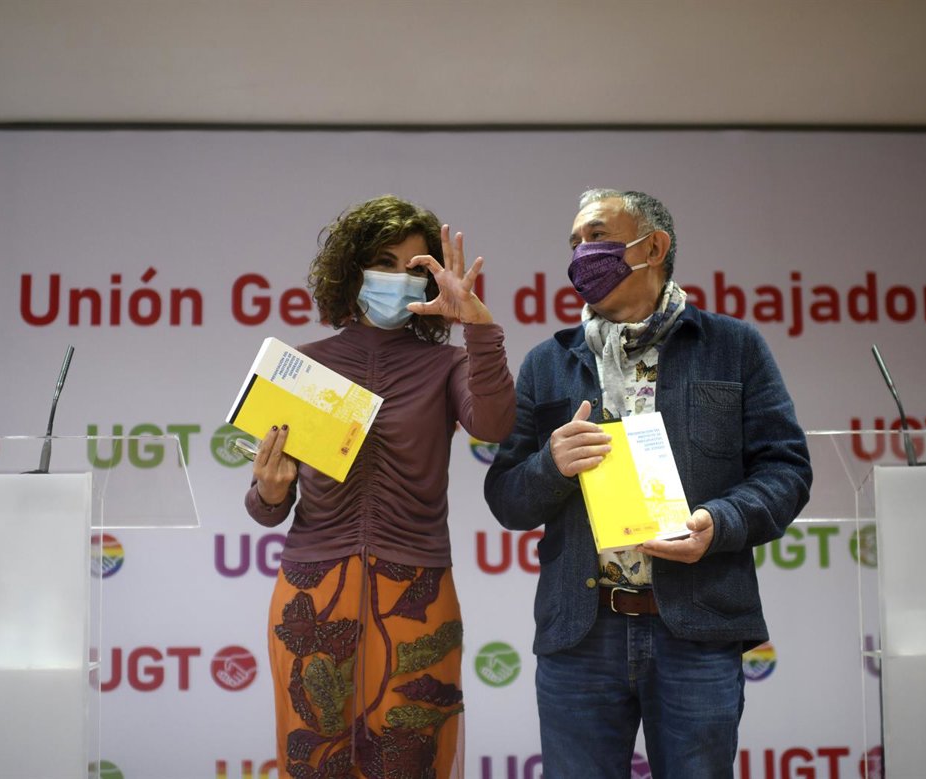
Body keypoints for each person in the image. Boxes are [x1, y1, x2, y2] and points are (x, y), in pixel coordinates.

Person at [483, 189, 811, 778]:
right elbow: (507, 497)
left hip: (696, 625)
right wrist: (549, 466)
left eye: (597, 237)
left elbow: (786, 469)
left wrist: (719, 523)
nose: (581, 254)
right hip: (582, 633)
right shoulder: (547, 363)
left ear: (653, 247)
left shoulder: (733, 348)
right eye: (574, 243)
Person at [245, 195, 516, 779]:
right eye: (384, 262)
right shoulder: (302, 366)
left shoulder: (446, 365)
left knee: (409, 756)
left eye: (413, 267)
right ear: (352, 269)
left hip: (416, 587)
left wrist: (477, 325)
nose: (398, 278)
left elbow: (494, 425)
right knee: (316, 758)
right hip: (313, 588)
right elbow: (267, 509)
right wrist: (268, 490)